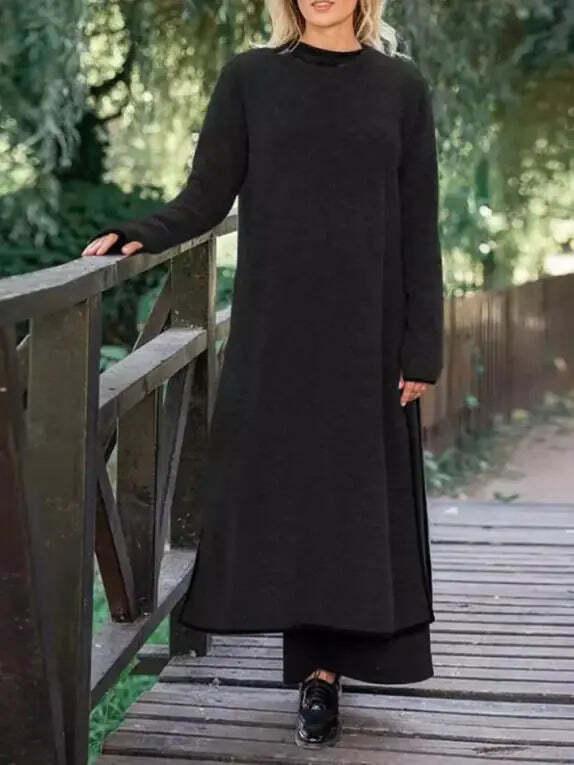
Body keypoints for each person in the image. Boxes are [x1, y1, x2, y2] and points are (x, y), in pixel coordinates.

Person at [82, 0, 444, 749]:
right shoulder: (249, 78)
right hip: (279, 331)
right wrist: (137, 233)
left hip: (369, 334)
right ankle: (313, 669)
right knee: (293, 494)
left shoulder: (401, 87)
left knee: (349, 500)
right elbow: (206, 195)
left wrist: (422, 344)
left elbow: (419, 222)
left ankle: (325, 674)